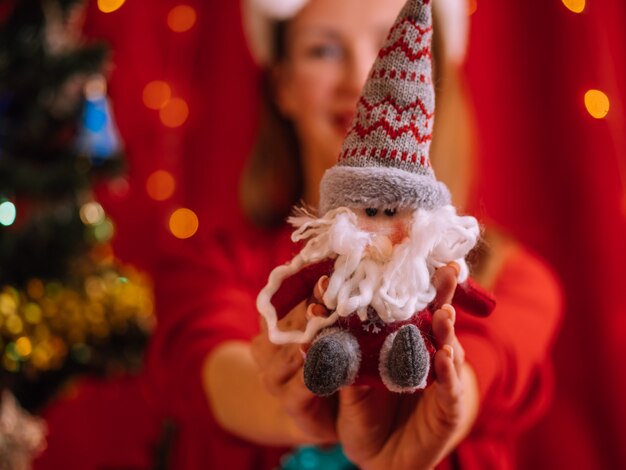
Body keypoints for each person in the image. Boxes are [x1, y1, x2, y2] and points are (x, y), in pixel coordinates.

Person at [149, 0, 563, 468]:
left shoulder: (514, 279)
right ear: (282, 85)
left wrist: (440, 407)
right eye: (323, 51)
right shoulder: (209, 265)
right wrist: (297, 409)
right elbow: (213, 368)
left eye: (388, 45)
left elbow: (488, 365)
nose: (363, 80)